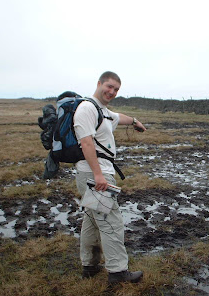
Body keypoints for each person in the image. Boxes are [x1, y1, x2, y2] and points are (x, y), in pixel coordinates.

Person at [73, 71, 146, 283]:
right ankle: (118, 272)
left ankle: (90, 265)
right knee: (111, 222)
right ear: (99, 83)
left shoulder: (101, 110)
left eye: (116, 89)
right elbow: (86, 143)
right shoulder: (87, 108)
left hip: (96, 173)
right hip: (95, 174)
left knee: (92, 220)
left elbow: (117, 117)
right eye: (109, 86)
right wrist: (98, 176)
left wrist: (135, 121)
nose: (112, 92)